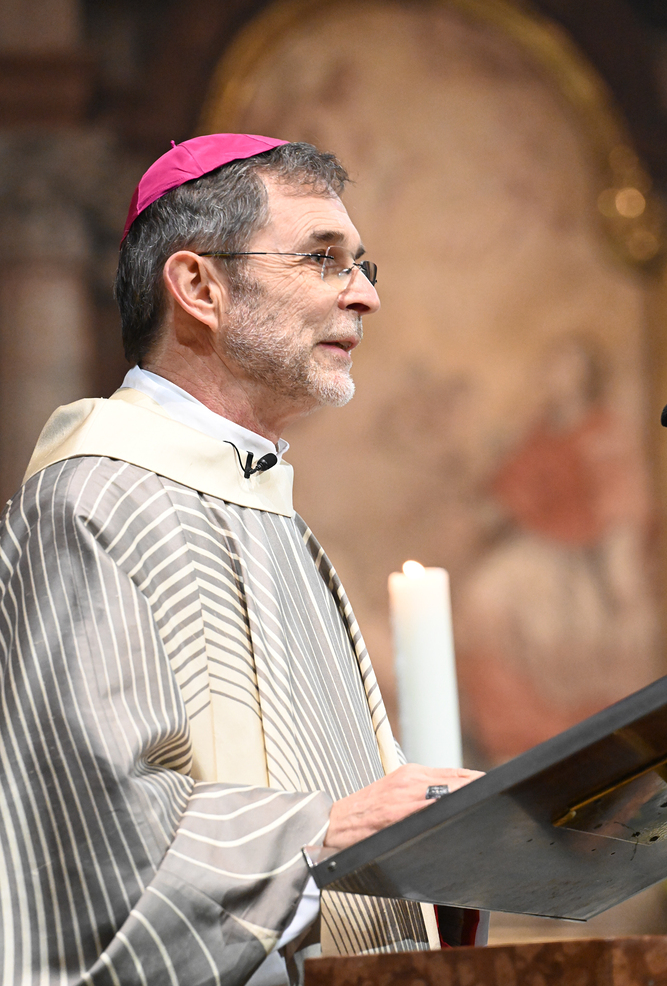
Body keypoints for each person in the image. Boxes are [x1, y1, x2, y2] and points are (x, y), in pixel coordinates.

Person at [0, 134, 484, 986]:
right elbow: (89, 830)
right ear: (198, 287)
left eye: (360, 264)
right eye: (322, 258)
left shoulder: (273, 517)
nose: (365, 295)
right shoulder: (94, 502)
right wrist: (318, 838)